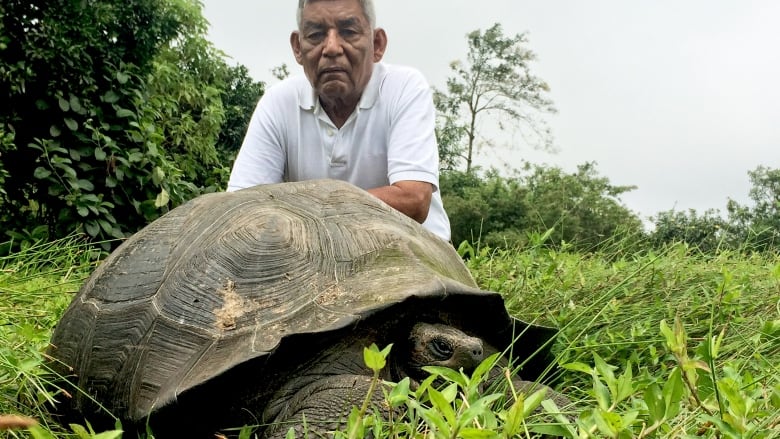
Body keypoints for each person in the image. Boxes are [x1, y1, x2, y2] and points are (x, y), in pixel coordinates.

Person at [226, 0, 451, 241]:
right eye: (315, 35)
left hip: (413, 254)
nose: (332, 48)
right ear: (298, 48)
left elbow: (414, 199)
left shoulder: (404, 88)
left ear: (377, 44)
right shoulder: (278, 102)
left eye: (348, 32)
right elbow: (241, 208)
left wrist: (305, 208)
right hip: (313, 257)